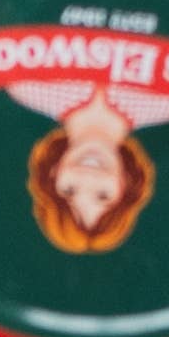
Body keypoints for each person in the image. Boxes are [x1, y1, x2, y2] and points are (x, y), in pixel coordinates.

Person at [26, 85, 155, 253]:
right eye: (103, 195)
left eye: (69, 190)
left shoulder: (30, 89)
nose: (89, 177)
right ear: (126, 183)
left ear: (53, 173)